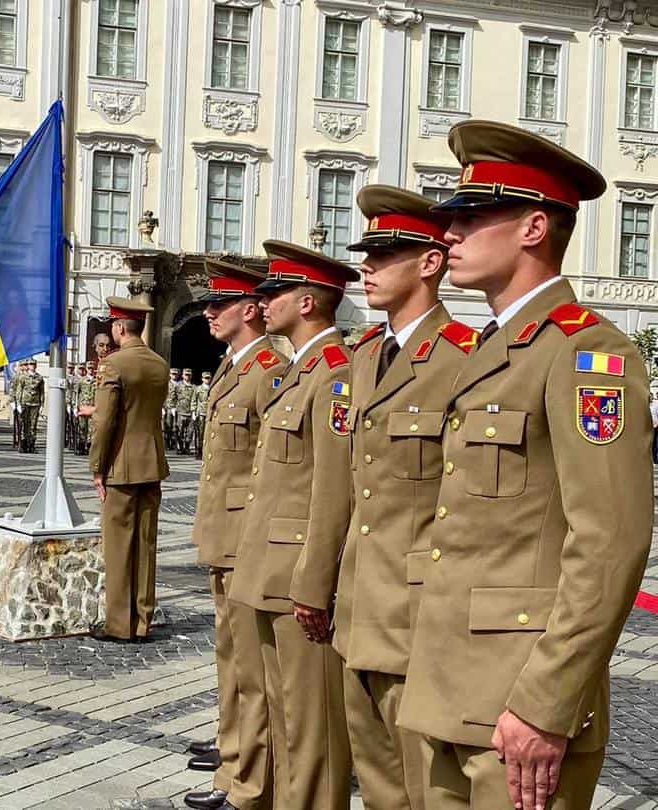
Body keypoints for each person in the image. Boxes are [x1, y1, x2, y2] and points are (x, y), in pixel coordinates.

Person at [396, 121, 654, 810]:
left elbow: (609, 543)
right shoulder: (490, 349)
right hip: (448, 689)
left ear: (534, 227)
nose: (447, 233)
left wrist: (546, 703)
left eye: (471, 218)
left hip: (519, 705)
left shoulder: (585, 354)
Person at [332, 185, 479, 810]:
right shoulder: (366, 355)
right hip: (362, 605)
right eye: (367, 252)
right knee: (380, 785)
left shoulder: (464, 358)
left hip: (419, 613)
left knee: (428, 790)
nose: (366, 265)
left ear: (429, 262)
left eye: (384, 253)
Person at [229, 240, 357, 809]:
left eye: (275, 291)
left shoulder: (334, 375)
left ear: (307, 301)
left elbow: (334, 490)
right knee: (283, 720)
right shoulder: (299, 373)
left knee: (313, 736)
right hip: (269, 568)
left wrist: (316, 581)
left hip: (298, 575)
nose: (264, 301)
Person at [183, 259, 286, 810]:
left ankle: (248, 775)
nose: (208, 312)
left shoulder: (269, 368)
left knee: (251, 666)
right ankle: (234, 752)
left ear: (249, 311)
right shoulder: (236, 365)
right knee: (232, 655)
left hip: (247, 534)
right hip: (225, 532)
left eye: (218, 304)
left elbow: (276, 465)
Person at [89, 296, 170, 643]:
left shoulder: (114, 365)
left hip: (121, 467)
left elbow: (106, 422)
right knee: (145, 545)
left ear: (120, 328)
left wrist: (97, 468)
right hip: (152, 463)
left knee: (119, 546)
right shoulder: (159, 364)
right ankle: (142, 620)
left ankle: (119, 624)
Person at [19, 358, 45, 453]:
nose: (32, 366)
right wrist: (18, 403)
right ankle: (23, 444)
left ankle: (31, 445)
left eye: (33, 364)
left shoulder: (40, 378)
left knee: (33, 425)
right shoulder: (23, 377)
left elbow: (42, 392)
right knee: (25, 424)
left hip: (35, 403)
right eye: (30, 364)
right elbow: (20, 390)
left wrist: (42, 404)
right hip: (25, 402)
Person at [191, 371, 212, 459]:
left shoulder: (213, 388)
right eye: (205, 378)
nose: (207, 380)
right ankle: (199, 451)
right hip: (201, 413)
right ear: (202, 379)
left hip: (210, 413)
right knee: (200, 433)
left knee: (208, 433)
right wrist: (193, 412)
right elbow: (194, 400)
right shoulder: (198, 389)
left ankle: (206, 451)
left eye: (208, 378)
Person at [175, 368, 196, 454]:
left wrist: (194, 411)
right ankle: (180, 448)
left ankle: (186, 448)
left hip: (190, 412)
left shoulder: (194, 387)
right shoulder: (178, 385)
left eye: (189, 375)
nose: (187, 376)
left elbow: (195, 399)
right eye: (186, 375)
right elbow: (172, 396)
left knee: (190, 431)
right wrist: (172, 407)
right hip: (180, 411)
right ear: (183, 375)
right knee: (179, 430)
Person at [164, 368, 180, 450]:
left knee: (176, 426)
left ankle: (174, 443)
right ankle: (167, 443)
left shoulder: (179, 385)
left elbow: (181, 398)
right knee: (168, 425)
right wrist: (163, 408)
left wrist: (177, 407)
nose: (174, 375)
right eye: (173, 374)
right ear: (170, 374)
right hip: (168, 407)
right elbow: (163, 396)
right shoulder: (166, 384)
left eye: (175, 374)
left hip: (176, 408)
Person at [650, 392, 658, 464]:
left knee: (655, 444)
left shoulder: (656, 404)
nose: (651, 398)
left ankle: (655, 459)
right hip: (647, 427)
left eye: (651, 396)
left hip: (655, 427)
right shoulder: (644, 405)